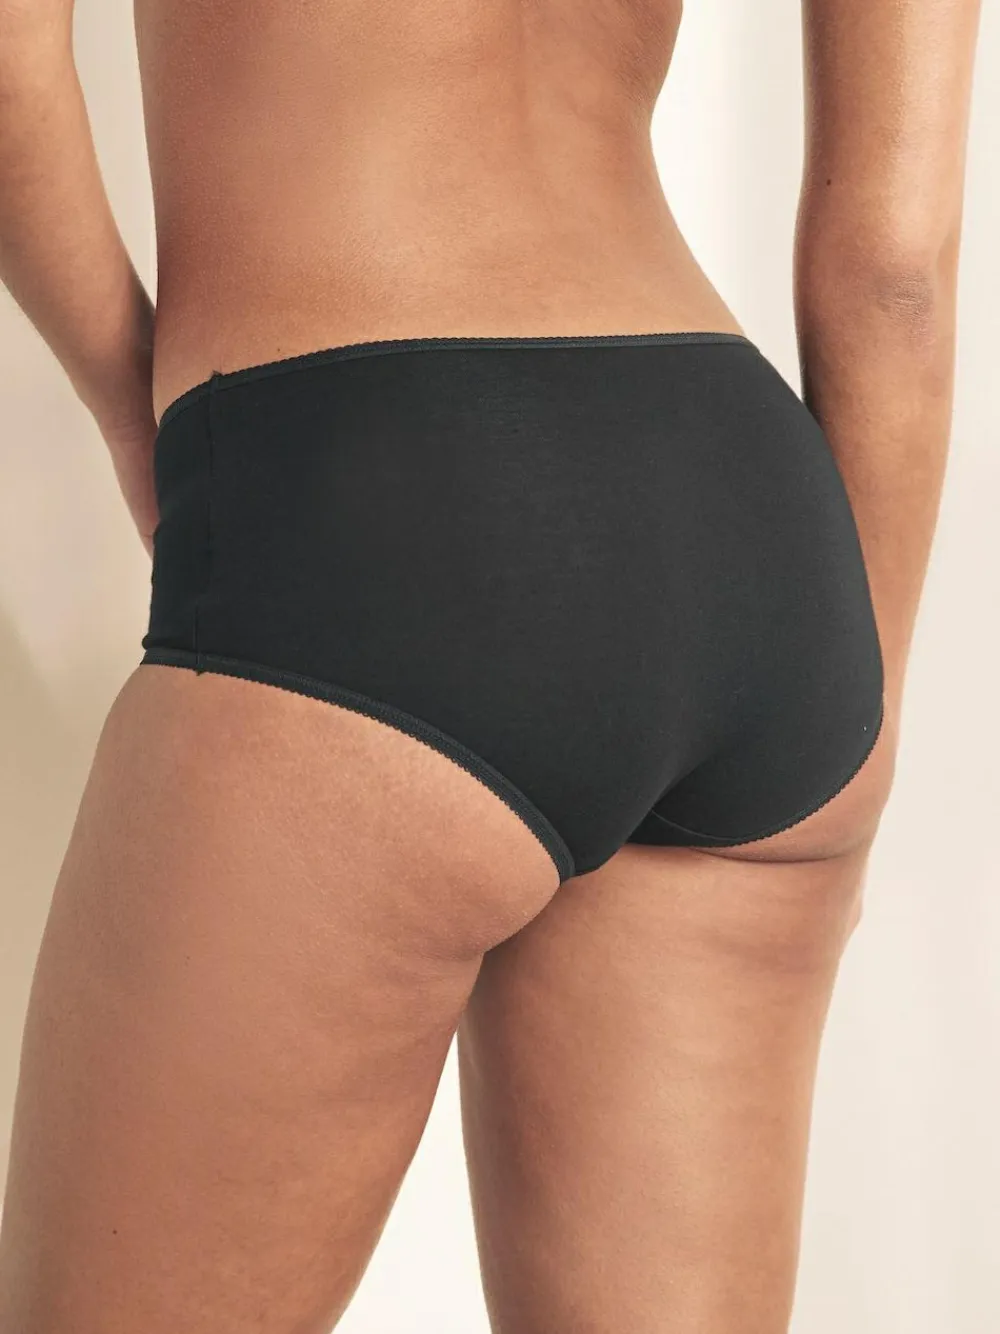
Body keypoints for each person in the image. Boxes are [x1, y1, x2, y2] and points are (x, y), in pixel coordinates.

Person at [0, 0, 983, 1329]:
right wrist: (854, 736)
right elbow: (895, 268)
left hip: (378, 481)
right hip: (752, 531)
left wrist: (143, 414)